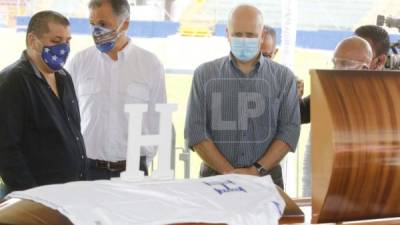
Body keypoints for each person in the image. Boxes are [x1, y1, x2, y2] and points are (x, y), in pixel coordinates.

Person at [185, 4, 300, 189]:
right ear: (227, 33)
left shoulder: (284, 78)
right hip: (214, 181)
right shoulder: (204, 74)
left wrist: (256, 170)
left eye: (251, 35)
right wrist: (229, 173)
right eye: (238, 34)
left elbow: (289, 131)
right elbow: (196, 132)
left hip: (267, 181)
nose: (244, 40)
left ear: (262, 35)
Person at [66, 0, 167, 180]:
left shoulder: (150, 64)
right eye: (92, 24)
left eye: (103, 24)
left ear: (125, 24)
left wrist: (142, 161)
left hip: (134, 171)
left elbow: (156, 120)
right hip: (88, 169)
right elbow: (68, 117)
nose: (96, 31)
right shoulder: (80, 62)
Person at [0, 11, 87, 196]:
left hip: (72, 194)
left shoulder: (64, 77)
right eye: (56, 41)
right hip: (38, 201)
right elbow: (7, 148)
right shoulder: (12, 81)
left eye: (67, 41)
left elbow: (73, 131)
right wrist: (31, 196)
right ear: (32, 40)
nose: (64, 48)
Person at [301, 36, 373, 197]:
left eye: (345, 63)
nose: (337, 68)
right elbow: (296, 114)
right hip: (321, 193)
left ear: (365, 69)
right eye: (336, 62)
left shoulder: (381, 104)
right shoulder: (324, 95)